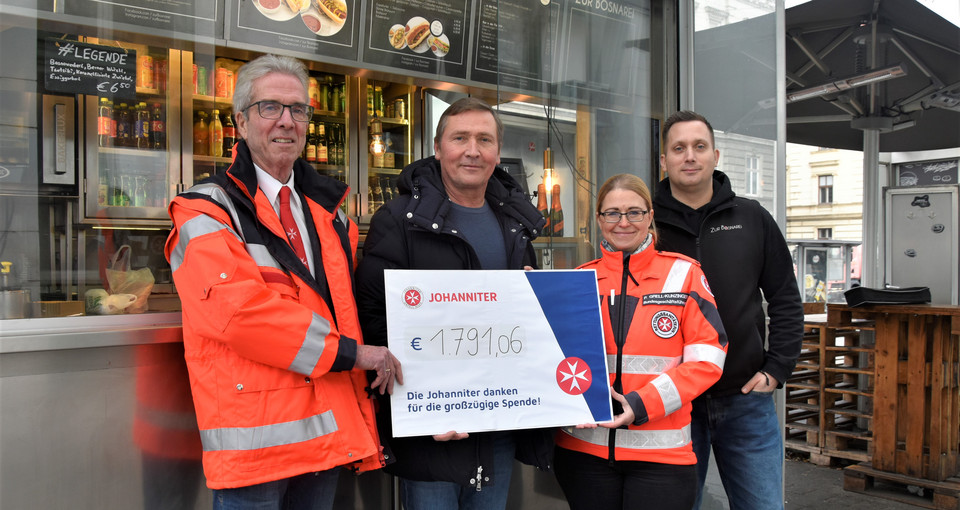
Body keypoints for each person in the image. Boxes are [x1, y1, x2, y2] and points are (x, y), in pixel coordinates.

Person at [164, 54, 402, 510]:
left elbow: (348, 309)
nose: (286, 121)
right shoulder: (204, 211)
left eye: (298, 110)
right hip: (257, 447)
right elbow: (242, 317)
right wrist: (354, 354)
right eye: (269, 107)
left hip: (324, 437)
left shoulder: (330, 216)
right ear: (240, 121)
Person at [354, 97, 552, 510]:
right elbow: (372, 317)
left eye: (484, 139)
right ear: (438, 146)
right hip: (432, 428)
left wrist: (539, 302)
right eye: (460, 138)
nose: (472, 150)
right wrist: (426, 406)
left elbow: (525, 325)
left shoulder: (515, 224)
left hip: (498, 422)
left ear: (498, 151)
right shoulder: (398, 219)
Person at [652, 110, 804, 509]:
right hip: (673, 403)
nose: (690, 156)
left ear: (715, 155)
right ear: (663, 160)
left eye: (699, 147)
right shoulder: (647, 224)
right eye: (679, 148)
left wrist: (777, 368)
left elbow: (785, 297)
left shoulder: (752, 218)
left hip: (745, 398)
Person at [553, 173, 727, 510]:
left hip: (661, 458)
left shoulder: (684, 274)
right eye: (612, 213)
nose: (623, 222)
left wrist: (640, 403)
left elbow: (708, 359)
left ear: (650, 216)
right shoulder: (578, 280)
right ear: (599, 219)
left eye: (634, 212)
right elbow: (553, 356)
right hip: (583, 453)